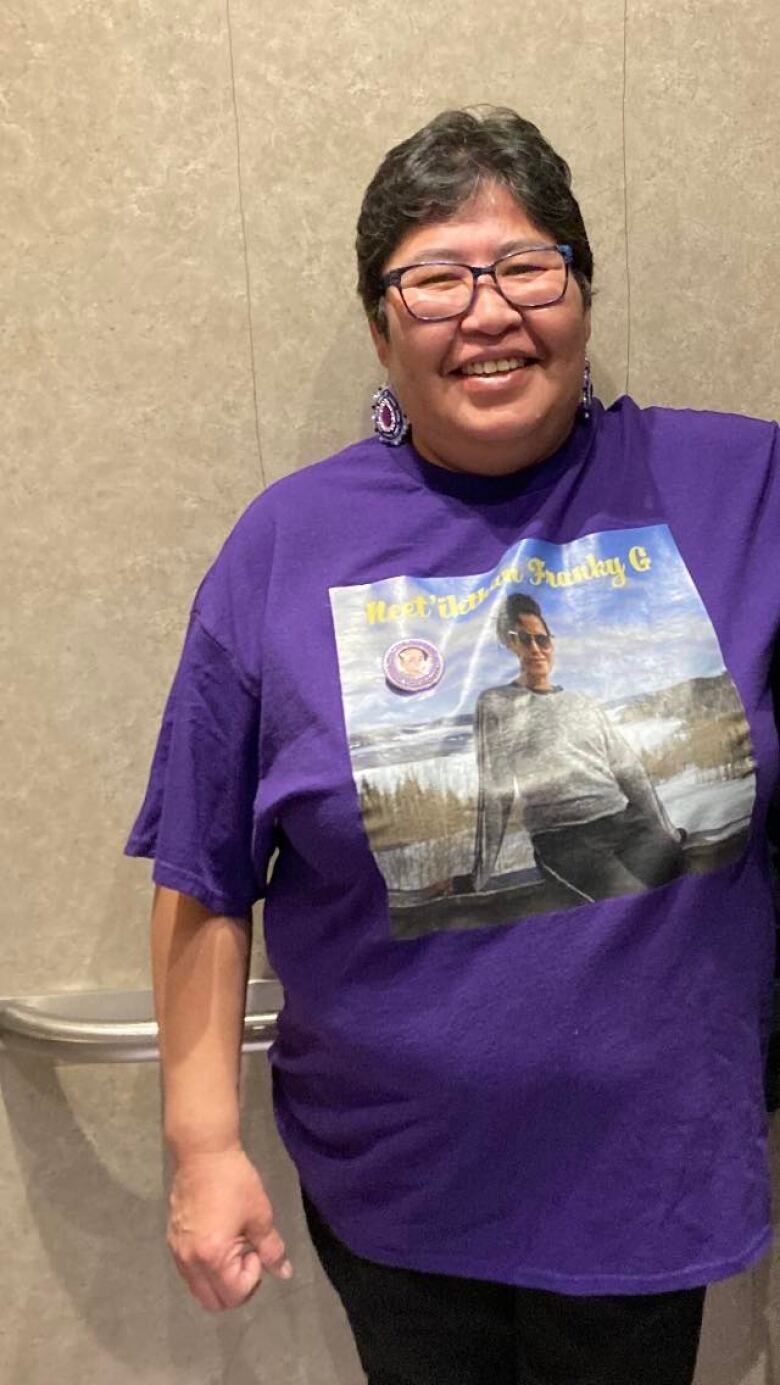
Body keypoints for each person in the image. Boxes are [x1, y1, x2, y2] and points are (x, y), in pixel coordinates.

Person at [126, 106, 779, 1384]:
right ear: (382, 325)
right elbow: (204, 866)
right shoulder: (286, 544)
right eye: (434, 278)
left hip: (651, 1179)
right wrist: (204, 1148)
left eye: (527, 266)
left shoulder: (740, 487)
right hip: (398, 1194)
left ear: (581, 296)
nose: (487, 311)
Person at [473, 590, 685, 901]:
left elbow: (630, 771)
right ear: (510, 644)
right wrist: (479, 876)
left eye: (542, 640)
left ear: (552, 643)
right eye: (523, 639)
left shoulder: (583, 702)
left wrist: (665, 832)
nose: (535, 649)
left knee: (683, 878)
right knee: (627, 904)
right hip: (565, 839)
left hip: (625, 822)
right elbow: (495, 793)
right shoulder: (496, 704)